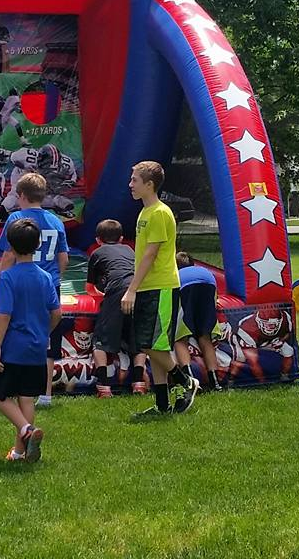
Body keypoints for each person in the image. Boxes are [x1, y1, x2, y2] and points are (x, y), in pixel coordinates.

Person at [121, 161, 199, 419]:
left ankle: (186, 381)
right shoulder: (145, 213)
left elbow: (151, 255)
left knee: (148, 343)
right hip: (148, 286)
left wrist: (131, 289)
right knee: (155, 346)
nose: (131, 184)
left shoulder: (159, 213)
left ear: (149, 185)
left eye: (135, 180)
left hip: (161, 286)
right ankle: (163, 404)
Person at [0, 218, 61, 462]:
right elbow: (56, 313)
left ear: (10, 245)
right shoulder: (45, 277)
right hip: (37, 348)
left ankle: (26, 430)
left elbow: (4, 315)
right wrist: (44, 331)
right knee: (26, 397)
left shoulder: (8, 278)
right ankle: (20, 451)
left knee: (0, 396)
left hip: (14, 347)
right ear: (38, 244)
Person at [0, 172, 68, 407]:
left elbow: (7, 255)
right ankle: (45, 393)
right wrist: (57, 278)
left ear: (22, 196)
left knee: (16, 331)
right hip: (48, 281)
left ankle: (9, 388)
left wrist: (0, 283)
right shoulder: (56, 221)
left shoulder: (17, 218)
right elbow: (63, 257)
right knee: (46, 339)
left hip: (21, 281)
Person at [86, 219, 149, 397]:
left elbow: (89, 288)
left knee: (101, 340)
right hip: (137, 290)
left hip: (117, 294)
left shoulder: (97, 253)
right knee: (137, 339)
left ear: (98, 240)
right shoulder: (129, 250)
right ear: (121, 238)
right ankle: (138, 382)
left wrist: (103, 296)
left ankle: (104, 385)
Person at [174, 252, 223, 392]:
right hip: (208, 285)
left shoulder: (177, 275)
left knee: (179, 338)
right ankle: (215, 381)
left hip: (184, 288)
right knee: (204, 337)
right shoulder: (204, 271)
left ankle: (190, 381)